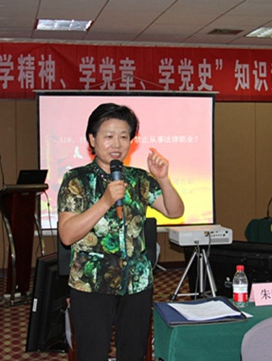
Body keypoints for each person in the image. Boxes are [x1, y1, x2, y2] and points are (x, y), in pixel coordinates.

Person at [57, 103, 184, 361]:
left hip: (137, 284)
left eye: (124, 136)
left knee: (134, 354)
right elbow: (67, 235)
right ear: (92, 139)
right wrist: (105, 202)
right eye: (109, 136)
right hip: (91, 285)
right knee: (92, 354)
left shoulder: (139, 179)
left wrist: (162, 179)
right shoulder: (76, 179)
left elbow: (175, 211)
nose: (117, 144)